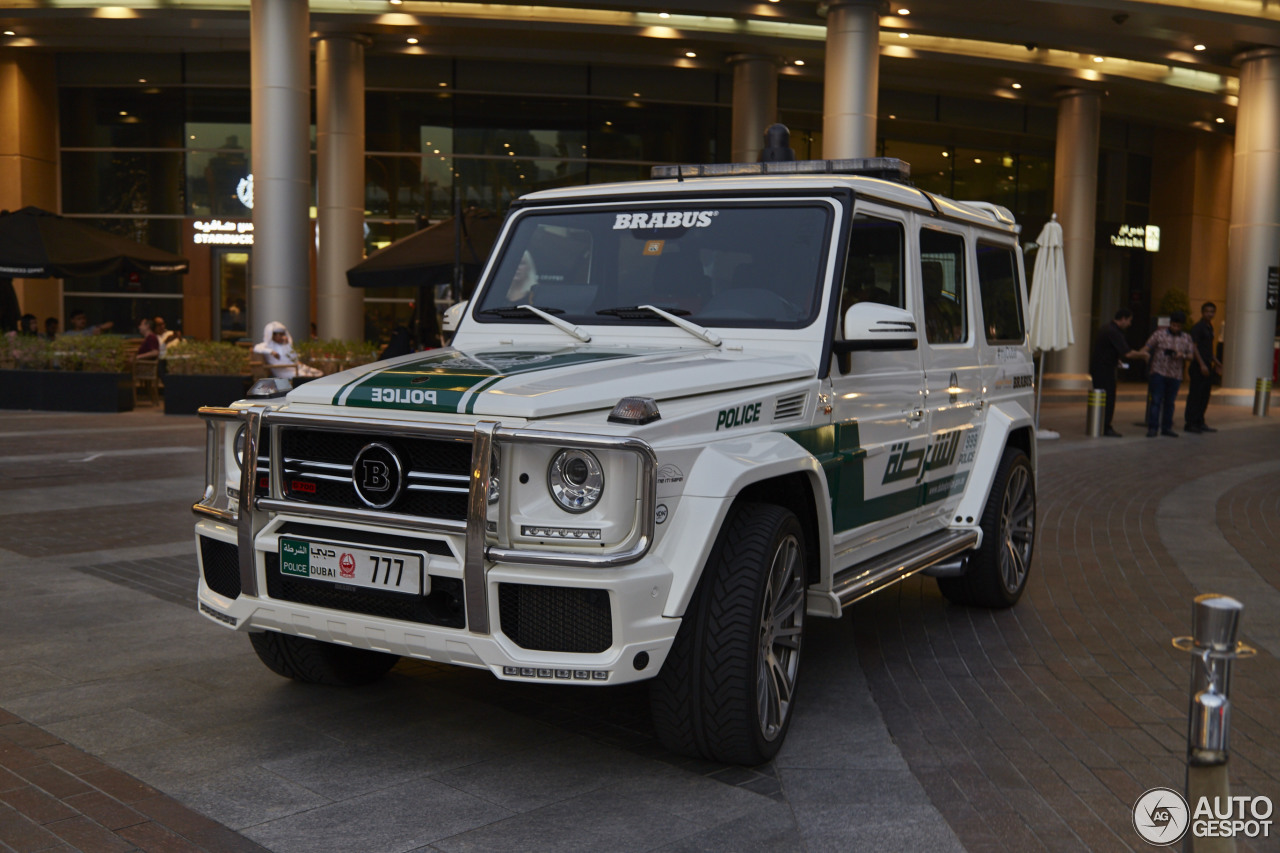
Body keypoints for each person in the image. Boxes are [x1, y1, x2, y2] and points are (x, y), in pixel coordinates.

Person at [1089, 308, 1147, 437]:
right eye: (1129, 320)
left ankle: (1099, 424)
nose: (1130, 324)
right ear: (1123, 319)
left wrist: (1116, 361)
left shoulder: (1106, 328)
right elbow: (1128, 353)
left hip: (1100, 368)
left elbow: (1107, 350)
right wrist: (1143, 355)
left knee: (1103, 397)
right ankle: (1106, 426)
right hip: (1104, 370)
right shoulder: (1114, 332)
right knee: (1108, 397)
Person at [1137, 310, 1196, 438]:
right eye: (1174, 325)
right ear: (1170, 323)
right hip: (1158, 371)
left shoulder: (1187, 338)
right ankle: (1153, 428)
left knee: (1170, 402)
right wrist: (1144, 355)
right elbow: (1146, 347)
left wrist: (1182, 355)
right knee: (1156, 400)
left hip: (1175, 374)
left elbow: (1191, 356)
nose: (1176, 328)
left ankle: (1167, 427)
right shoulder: (1159, 334)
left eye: (1179, 326)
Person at [1183, 301, 1221, 434]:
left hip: (1207, 365)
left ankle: (1200, 421)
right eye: (1207, 311)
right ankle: (1190, 423)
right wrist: (1202, 364)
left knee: (1205, 395)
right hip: (1198, 366)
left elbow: (1208, 349)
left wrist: (1216, 362)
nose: (1210, 314)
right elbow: (1194, 347)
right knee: (1195, 395)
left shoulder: (1209, 327)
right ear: (1202, 312)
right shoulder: (1197, 327)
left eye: (1212, 312)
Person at [254, 321, 322, 379]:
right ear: (273, 335)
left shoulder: (285, 344)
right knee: (306, 376)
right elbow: (256, 348)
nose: (283, 337)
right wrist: (271, 352)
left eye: (283, 334)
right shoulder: (267, 345)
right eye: (280, 335)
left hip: (293, 367)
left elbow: (293, 358)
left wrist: (287, 345)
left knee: (318, 373)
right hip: (282, 370)